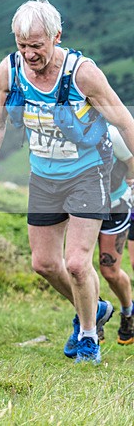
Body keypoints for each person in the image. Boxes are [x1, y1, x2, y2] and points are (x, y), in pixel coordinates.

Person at [0, 0, 134, 364]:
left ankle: (88, 336)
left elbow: (124, 121)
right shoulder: (9, 70)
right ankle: (96, 306)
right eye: (22, 45)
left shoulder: (82, 74)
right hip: (44, 177)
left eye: (36, 45)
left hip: (88, 173)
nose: (29, 54)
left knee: (77, 263)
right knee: (44, 264)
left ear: (56, 36)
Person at [97, 125, 134, 345]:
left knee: (110, 271)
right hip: (79, 205)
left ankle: (128, 311)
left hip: (115, 205)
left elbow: (131, 162)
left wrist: (127, 181)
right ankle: (91, 317)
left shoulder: (111, 134)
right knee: (77, 265)